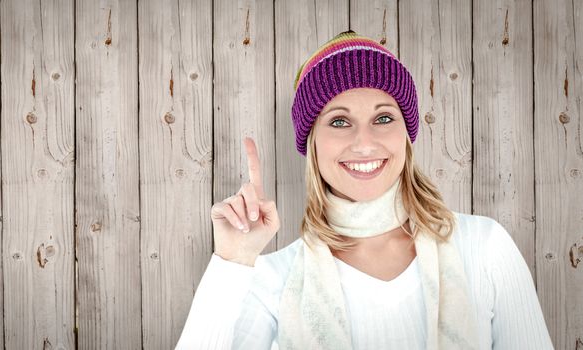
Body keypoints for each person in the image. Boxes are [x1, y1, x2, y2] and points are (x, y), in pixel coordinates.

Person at [175, 31, 553, 350]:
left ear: (407, 135)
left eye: (383, 117)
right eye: (339, 121)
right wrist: (231, 260)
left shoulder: (485, 248)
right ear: (312, 144)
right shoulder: (273, 279)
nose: (364, 142)